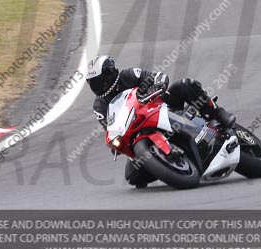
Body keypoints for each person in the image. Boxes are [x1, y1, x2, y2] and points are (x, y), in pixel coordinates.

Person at [86, 55, 236, 187]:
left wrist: (155, 87)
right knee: (133, 177)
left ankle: (218, 113)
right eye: (93, 83)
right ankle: (166, 165)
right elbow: (109, 127)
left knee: (184, 85)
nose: (98, 86)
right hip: (135, 130)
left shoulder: (128, 76)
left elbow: (158, 77)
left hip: (159, 107)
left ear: (110, 74)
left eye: (100, 81)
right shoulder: (99, 106)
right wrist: (115, 143)